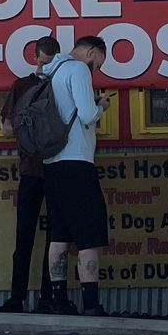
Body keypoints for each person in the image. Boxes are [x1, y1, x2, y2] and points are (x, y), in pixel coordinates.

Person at [42, 35, 113, 317]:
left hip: (52, 161)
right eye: (98, 63)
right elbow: (85, 115)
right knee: (88, 233)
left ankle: (58, 299)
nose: (96, 69)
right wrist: (102, 107)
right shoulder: (78, 69)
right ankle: (91, 303)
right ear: (91, 52)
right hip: (77, 161)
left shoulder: (50, 70)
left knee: (59, 233)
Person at [0, 35, 56, 314]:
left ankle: (16, 298)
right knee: (55, 238)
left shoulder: (21, 85)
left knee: (25, 237)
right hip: (57, 167)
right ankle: (49, 297)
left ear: (35, 57)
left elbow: (7, 129)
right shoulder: (62, 83)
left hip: (30, 167)